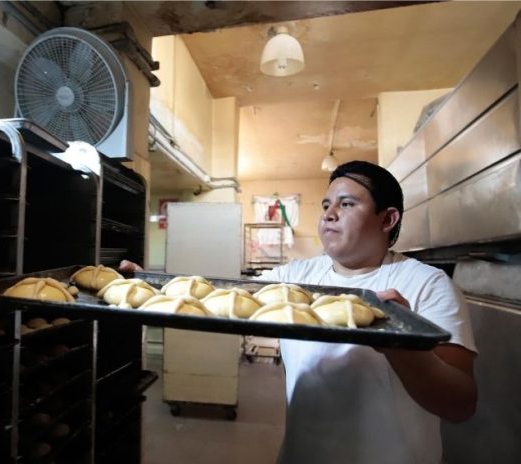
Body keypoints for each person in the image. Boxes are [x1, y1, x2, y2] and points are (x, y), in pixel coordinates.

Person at [120, 160, 477, 464]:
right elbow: (216, 293)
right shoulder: (297, 277)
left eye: (347, 204)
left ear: (388, 219)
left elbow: (460, 403)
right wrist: (149, 283)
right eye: (325, 206)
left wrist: (402, 343)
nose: (329, 215)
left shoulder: (426, 284)